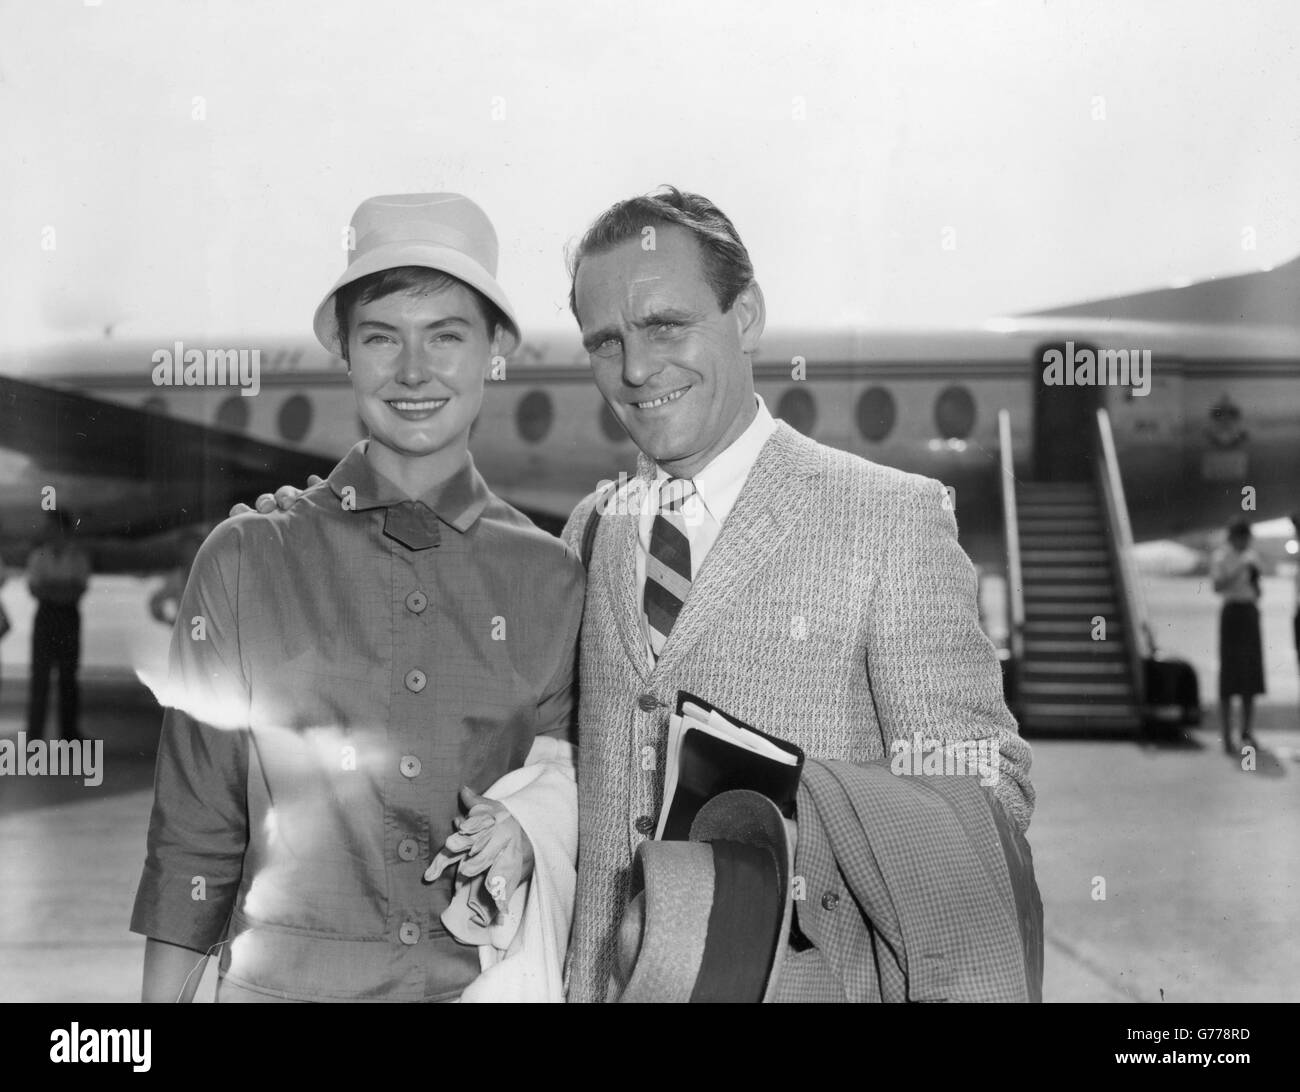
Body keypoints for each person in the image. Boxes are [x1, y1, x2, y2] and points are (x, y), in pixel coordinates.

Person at [244, 187, 1037, 1003]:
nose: (635, 369)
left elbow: (988, 793)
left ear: (749, 315)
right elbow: (559, 747)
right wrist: (305, 532)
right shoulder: (590, 531)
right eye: (606, 341)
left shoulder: (889, 520)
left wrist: (797, 824)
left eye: (666, 325)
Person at [131, 193, 584, 1002]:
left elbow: (579, 799)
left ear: (494, 352)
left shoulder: (553, 581)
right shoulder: (244, 560)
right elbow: (195, 838)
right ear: (344, 352)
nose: (414, 371)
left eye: (446, 335)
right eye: (382, 337)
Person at [25, 508, 91, 741]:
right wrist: (63, 590)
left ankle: (69, 734)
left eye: (51, 527)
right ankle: (35, 736)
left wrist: (52, 590)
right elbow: (37, 588)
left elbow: (77, 588)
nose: (46, 531)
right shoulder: (39, 556)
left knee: (68, 679)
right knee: (40, 679)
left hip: (64, 617)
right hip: (51, 617)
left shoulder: (77, 557)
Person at [1211, 517, 1265, 753]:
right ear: (1233, 537)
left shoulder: (1252, 557)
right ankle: (1226, 732)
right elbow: (1217, 586)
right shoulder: (1222, 557)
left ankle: (1247, 730)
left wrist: (1252, 574)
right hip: (1232, 611)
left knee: (1250, 674)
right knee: (1230, 673)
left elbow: (1257, 589)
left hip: (1249, 611)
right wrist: (1240, 568)